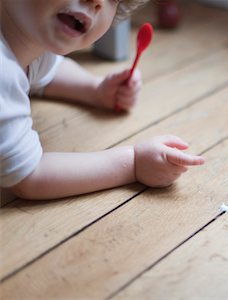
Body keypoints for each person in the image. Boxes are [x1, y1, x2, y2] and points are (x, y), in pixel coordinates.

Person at [0, 0, 205, 201]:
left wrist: (95, 89)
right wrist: (133, 163)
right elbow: (28, 176)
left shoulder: (25, 40)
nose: (97, 2)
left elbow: (47, 71)